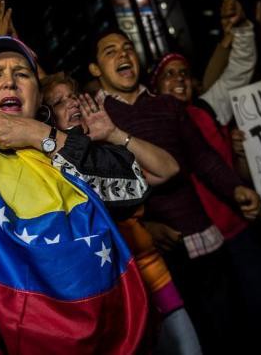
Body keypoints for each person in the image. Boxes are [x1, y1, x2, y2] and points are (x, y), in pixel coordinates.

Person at [0, 36, 150, 354]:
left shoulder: (61, 146)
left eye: (22, 73)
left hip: (108, 335)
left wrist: (39, 136)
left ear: (39, 99)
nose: (10, 80)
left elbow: (134, 185)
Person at [87, 28, 261, 353]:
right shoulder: (94, 119)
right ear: (95, 69)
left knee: (235, 331)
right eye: (110, 51)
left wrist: (237, 189)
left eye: (127, 48)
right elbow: (99, 194)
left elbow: (202, 157)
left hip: (205, 241)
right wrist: (144, 228)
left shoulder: (167, 105)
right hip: (157, 261)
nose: (123, 55)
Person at [42, 73, 202, 354]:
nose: (71, 103)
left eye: (73, 96)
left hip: (153, 277)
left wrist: (113, 134)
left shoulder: (106, 151)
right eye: (58, 102)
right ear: (46, 117)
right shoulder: (47, 165)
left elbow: (168, 169)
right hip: (111, 293)